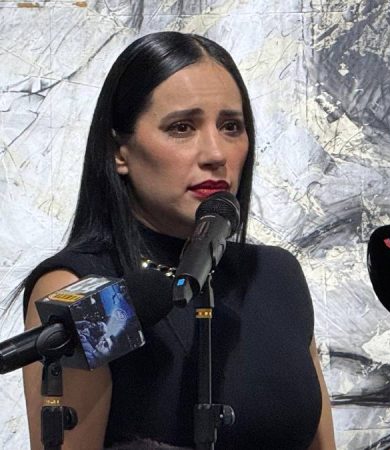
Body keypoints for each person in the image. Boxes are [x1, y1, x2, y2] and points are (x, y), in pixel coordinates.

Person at [22, 31, 336, 450]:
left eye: (231, 126)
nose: (215, 153)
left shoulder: (275, 275)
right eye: (182, 127)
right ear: (119, 151)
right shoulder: (89, 288)